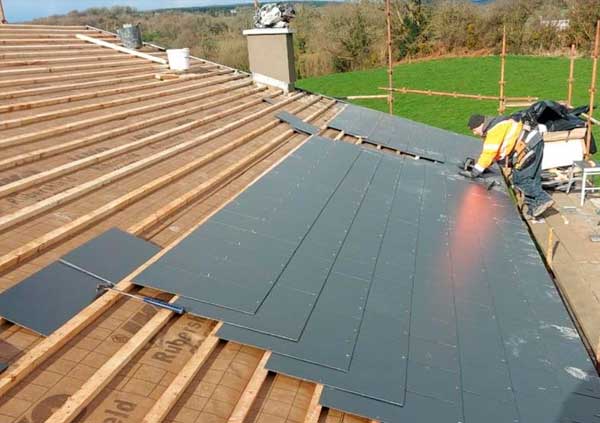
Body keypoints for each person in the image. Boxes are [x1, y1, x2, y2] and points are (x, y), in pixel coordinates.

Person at [461, 114, 554, 218]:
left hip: (528, 146)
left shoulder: (494, 131)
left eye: (474, 130)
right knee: (532, 177)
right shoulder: (497, 124)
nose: (474, 133)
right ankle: (534, 208)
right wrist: (482, 165)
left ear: (481, 125)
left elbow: (489, 153)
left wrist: (475, 171)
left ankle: (543, 199)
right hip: (535, 141)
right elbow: (495, 154)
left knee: (520, 179)